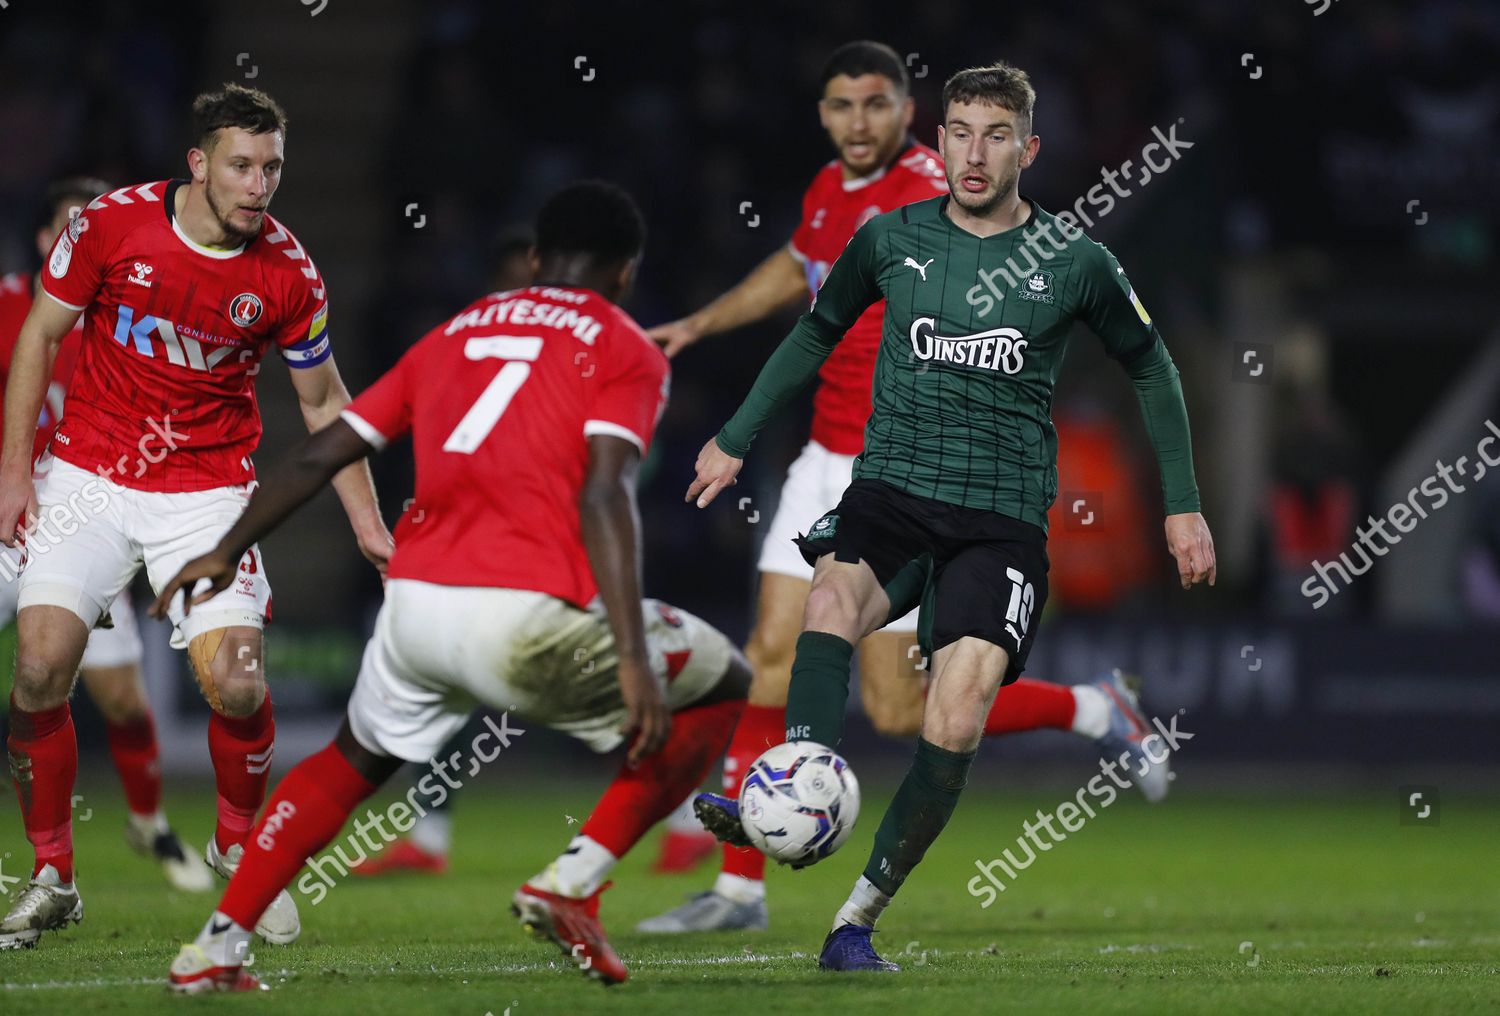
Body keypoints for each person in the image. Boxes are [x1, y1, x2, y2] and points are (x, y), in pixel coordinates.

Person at [686, 62, 1216, 971]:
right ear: (940, 144)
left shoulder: (1076, 259)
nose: (975, 153)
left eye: (996, 134)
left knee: (953, 715)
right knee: (829, 605)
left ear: (1029, 149)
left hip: (999, 522)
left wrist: (1183, 508)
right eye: (961, 132)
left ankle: (853, 924)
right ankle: (799, 784)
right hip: (890, 493)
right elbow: (816, 330)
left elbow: (1153, 368)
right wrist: (734, 436)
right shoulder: (889, 239)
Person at [160, 181, 748, 992]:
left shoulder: (453, 333)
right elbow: (607, 492)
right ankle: (571, 882)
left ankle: (215, 949)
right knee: (728, 685)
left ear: (536, 260)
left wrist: (224, 549)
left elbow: (322, 451)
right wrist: (635, 662)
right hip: (524, 616)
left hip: (413, 608)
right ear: (624, 274)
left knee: (348, 761)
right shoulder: (625, 347)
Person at [0, 83, 392, 951]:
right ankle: (53, 874)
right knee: (38, 670)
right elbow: (39, 336)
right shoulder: (110, 224)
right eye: (242, 166)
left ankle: (233, 841)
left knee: (241, 682)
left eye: (273, 169)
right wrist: (15, 475)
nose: (260, 186)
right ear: (199, 165)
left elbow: (327, 404)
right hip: (89, 478)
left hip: (208, 495)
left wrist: (368, 525)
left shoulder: (289, 272)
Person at [0, 176, 213, 894]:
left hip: (84, 518)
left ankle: (150, 826)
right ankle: (49, 865)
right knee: (33, 679)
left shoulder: (126, 312)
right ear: (43, 241)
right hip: (11, 517)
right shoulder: (12, 307)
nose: (86, 240)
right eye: (71, 226)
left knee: (121, 698)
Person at [350, 229, 537, 878]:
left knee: (595, 681)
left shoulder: (579, 354)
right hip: (471, 546)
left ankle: (684, 811)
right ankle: (427, 836)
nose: (519, 299)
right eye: (509, 284)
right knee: (441, 682)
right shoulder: (458, 352)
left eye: (531, 285)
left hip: (548, 548)